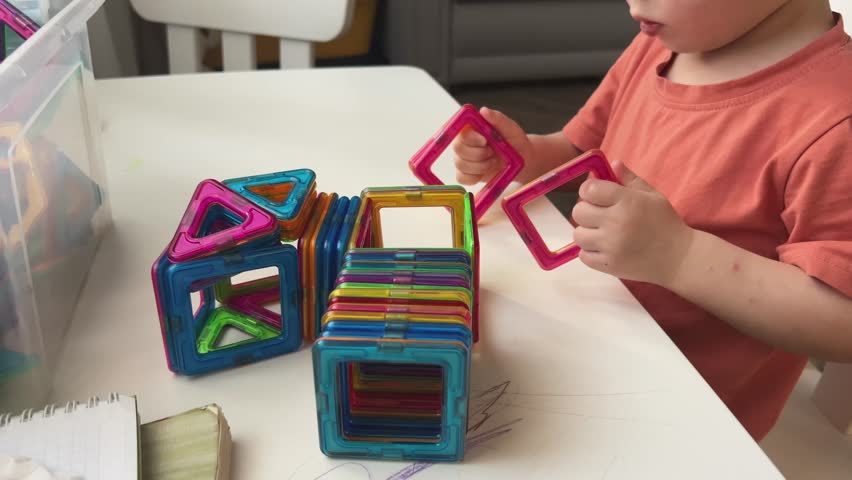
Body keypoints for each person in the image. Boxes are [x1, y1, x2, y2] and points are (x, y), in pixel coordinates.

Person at [453, 0, 852, 441]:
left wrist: (680, 257)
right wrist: (527, 156)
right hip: (586, 349)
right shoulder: (661, 43)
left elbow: (843, 320)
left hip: (684, 421)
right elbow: (579, 150)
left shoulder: (837, 119)